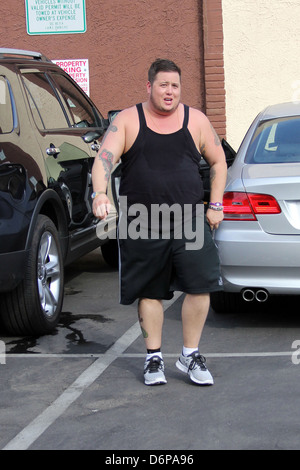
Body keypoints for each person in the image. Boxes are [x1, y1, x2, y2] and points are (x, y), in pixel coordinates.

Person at [91, 58, 227, 386]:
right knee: (149, 291)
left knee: (200, 286)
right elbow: (103, 161)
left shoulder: (195, 120)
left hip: (190, 219)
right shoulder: (127, 120)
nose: (170, 91)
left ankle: (189, 355)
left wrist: (216, 204)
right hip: (141, 221)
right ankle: (154, 358)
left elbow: (219, 162)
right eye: (163, 85)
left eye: (175, 86)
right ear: (149, 86)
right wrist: (100, 194)